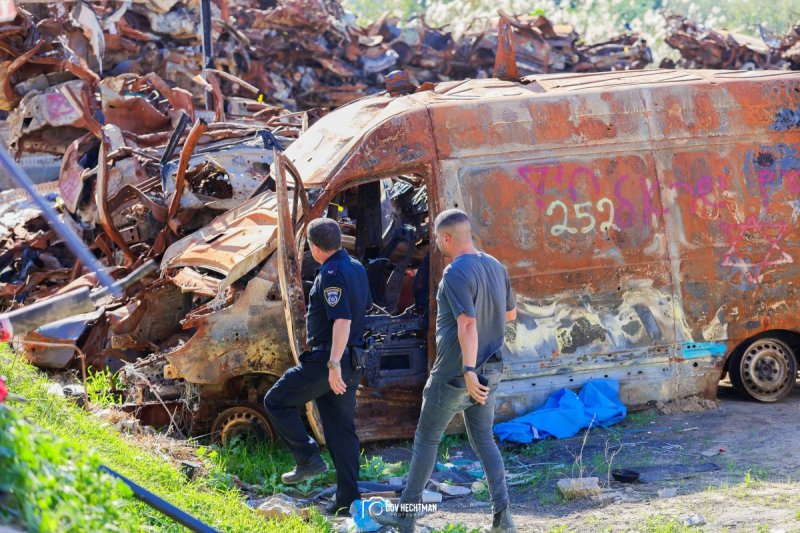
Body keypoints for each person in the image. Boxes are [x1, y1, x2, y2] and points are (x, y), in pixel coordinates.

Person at [369, 209, 517, 532]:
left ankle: (405, 516)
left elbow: (467, 324)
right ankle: (503, 514)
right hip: (490, 370)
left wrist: (466, 369)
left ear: (447, 238)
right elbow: (510, 314)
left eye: (437, 239)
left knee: (426, 440)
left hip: (456, 374)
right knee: (483, 439)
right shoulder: (496, 267)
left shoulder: (454, 273)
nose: (436, 244)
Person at [264, 218, 372, 516]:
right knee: (341, 431)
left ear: (313, 247)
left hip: (330, 361)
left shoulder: (331, 273)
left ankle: (307, 458)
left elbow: (343, 320)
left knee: (276, 400)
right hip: (352, 360)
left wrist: (333, 364)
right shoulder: (356, 267)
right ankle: (348, 499)